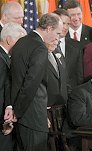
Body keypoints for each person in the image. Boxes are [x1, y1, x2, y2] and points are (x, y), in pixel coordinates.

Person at [11, 13, 63, 151]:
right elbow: (31, 83)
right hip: (33, 116)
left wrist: (15, 109)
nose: (59, 36)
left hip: (22, 117)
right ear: (49, 28)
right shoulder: (40, 48)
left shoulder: (21, 42)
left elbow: (15, 80)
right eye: (57, 32)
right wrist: (18, 111)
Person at [0, 22, 26, 151]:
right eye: (20, 42)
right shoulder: (1, 59)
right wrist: (4, 121)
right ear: (9, 40)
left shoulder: (6, 58)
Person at [53, 9, 83, 91]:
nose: (65, 27)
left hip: (71, 95)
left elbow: (79, 75)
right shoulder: (44, 45)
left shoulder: (77, 46)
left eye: (68, 24)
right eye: (63, 23)